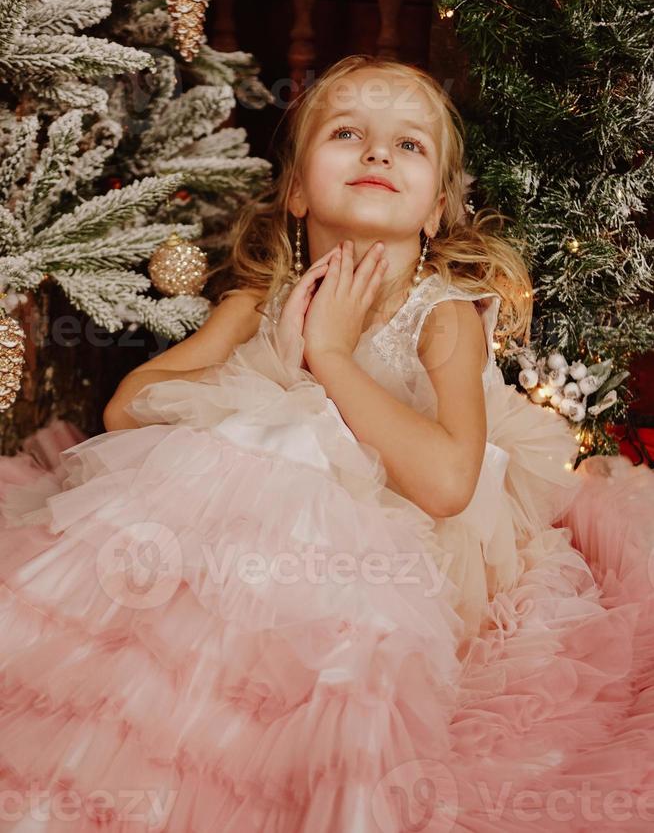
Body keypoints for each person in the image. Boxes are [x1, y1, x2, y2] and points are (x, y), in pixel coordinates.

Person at [0, 55, 652, 832]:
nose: (377, 152)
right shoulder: (257, 303)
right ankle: (160, 701)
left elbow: (446, 484)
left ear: (437, 208)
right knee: (230, 457)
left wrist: (332, 359)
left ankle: (268, 740)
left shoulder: (443, 318)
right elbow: (127, 411)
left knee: (285, 454)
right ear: (300, 190)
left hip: (401, 553)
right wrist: (278, 358)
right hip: (258, 547)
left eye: (408, 145)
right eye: (348, 133)